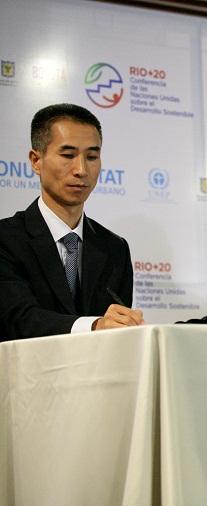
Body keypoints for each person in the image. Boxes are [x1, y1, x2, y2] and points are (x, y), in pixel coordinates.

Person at [0, 103, 143, 341]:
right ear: (36, 160)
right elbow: (19, 319)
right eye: (68, 155)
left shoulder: (114, 248)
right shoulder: (6, 239)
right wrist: (94, 325)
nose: (81, 170)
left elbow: (117, 336)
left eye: (92, 156)